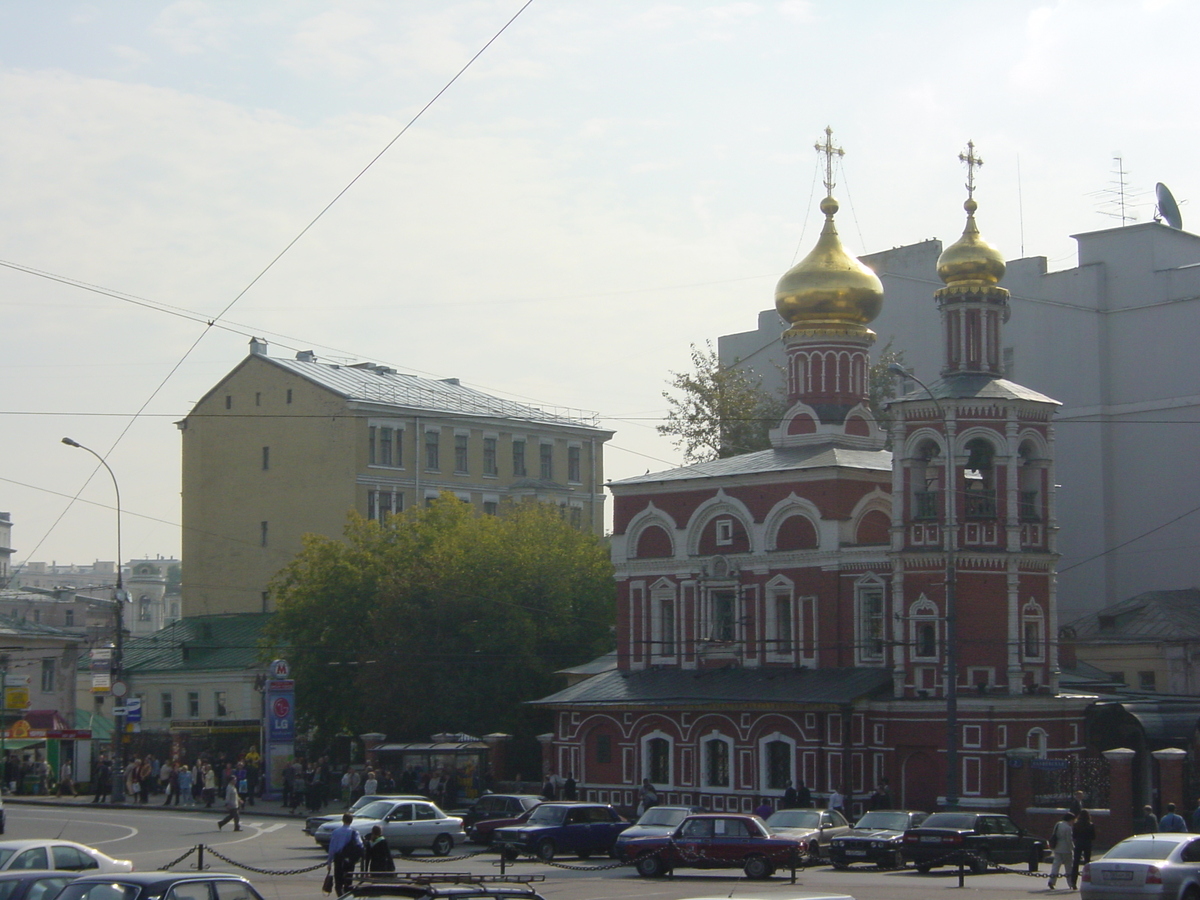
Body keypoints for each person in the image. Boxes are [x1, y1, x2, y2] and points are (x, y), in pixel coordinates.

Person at [327, 813, 364, 895]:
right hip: (350, 859)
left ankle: (340, 896)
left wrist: (329, 862)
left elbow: (332, 848)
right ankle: (347, 895)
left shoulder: (336, 832)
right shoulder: (354, 832)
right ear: (351, 821)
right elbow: (360, 845)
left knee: (338, 883)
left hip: (339, 858)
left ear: (343, 820)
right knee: (348, 882)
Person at [1069, 808, 1096, 890]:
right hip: (1087, 844)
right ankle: (1087, 881)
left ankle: (1073, 882)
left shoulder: (1076, 824)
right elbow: (1093, 837)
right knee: (1087, 863)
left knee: (1076, 863)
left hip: (1078, 844)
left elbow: (1073, 836)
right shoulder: (1090, 825)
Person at [1048, 812, 1075, 890]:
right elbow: (1069, 840)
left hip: (1057, 848)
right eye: (1073, 820)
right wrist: (1073, 849)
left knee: (1056, 866)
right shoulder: (1068, 828)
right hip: (1066, 850)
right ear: (1070, 819)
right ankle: (1070, 883)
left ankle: (1051, 881)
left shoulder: (1058, 824)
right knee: (1068, 867)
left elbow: (1054, 834)